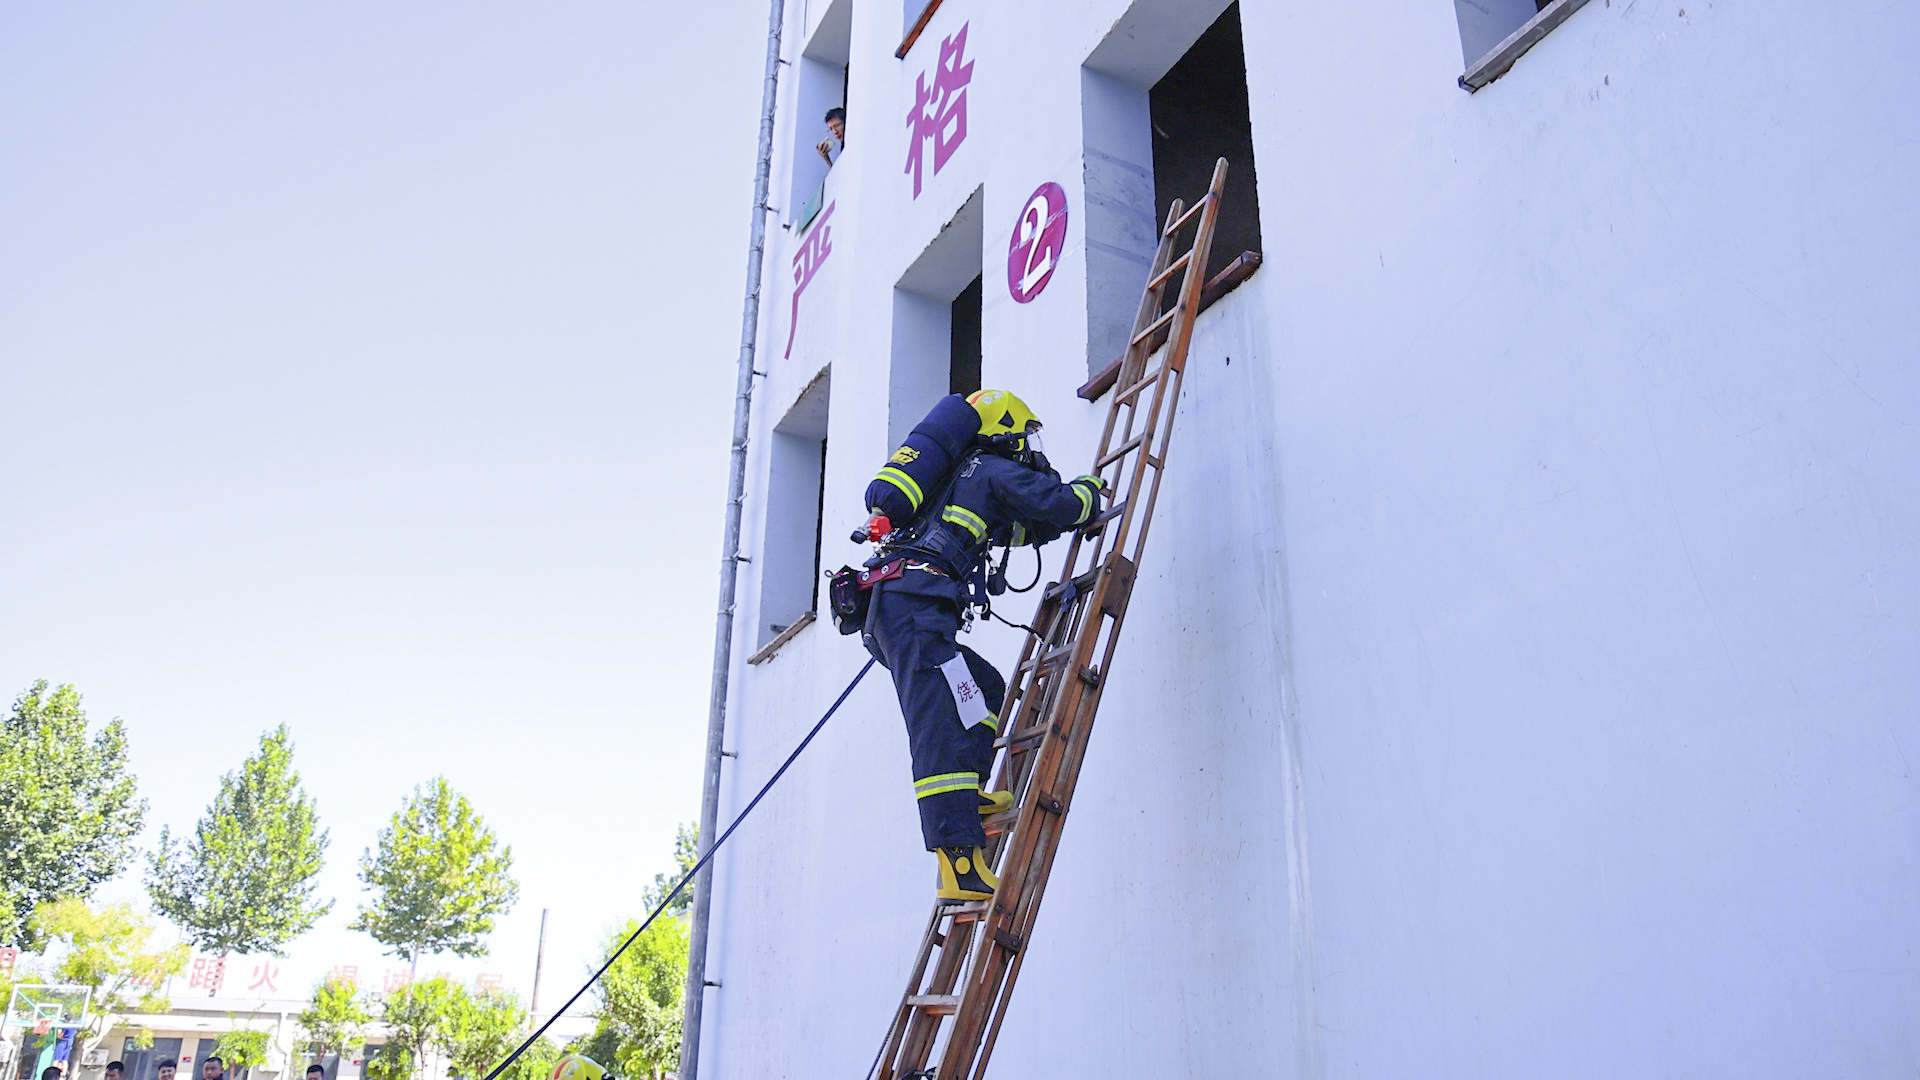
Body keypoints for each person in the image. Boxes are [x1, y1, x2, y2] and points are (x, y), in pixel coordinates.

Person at [860, 389, 1105, 903]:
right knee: (939, 726)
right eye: (1024, 437)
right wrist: (1087, 490)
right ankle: (959, 865)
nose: (1029, 449)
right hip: (915, 610)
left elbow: (1018, 526)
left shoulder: (960, 480)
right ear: (1005, 432)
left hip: (905, 607)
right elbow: (1063, 506)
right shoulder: (990, 468)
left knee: (985, 690)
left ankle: (967, 795)